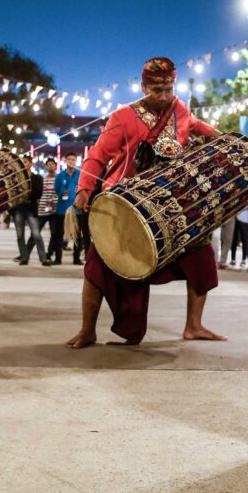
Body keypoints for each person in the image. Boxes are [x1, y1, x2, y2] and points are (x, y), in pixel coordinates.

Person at [65, 57, 226, 348]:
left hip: (168, 202)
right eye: (156, 90)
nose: (163, 96)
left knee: (201, 254)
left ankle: (194, 325)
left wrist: (223, 138)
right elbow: (98, 155)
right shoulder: (122, 117)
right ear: (143, 86)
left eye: (167, 89)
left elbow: (193, 124)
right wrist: (84, 188)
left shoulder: (179, 108)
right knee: (96, 266)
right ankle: (87, 329)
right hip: (125, 202)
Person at [13, 155, 49, 266]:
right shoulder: (16, 179)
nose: (24, 164)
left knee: (36, 234)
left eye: (26, 162)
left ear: (30, 164)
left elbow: (38, 193)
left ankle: (43, 258)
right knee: (20, 235)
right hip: (18, 208)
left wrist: (24, 193)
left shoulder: (37, 178)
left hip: (31, 209)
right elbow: (13, 194)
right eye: (22, 162)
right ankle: (24, 257)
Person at [55, 153, 82, 264]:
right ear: (65, 161)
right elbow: (56, 190)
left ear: (76, 161)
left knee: (77, 235)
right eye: (69, 159)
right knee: (59, 235)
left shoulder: (80, 175)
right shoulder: (60, 176)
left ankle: (76, 258)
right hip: (62, 209)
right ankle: (58, 258)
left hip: (77, 210)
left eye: (73, 159)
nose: (71, 161)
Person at [38, 158, 62, 264]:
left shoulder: (59, 179)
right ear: (46, 167)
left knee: (54, 234)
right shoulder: (43, 180)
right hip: (43, 210)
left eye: (53, 164)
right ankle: (25, 254)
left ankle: (49, 253)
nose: (51, 166)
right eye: (48, 164)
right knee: (36, 232)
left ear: (56, 166)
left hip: (55, 211)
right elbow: (40, 194)